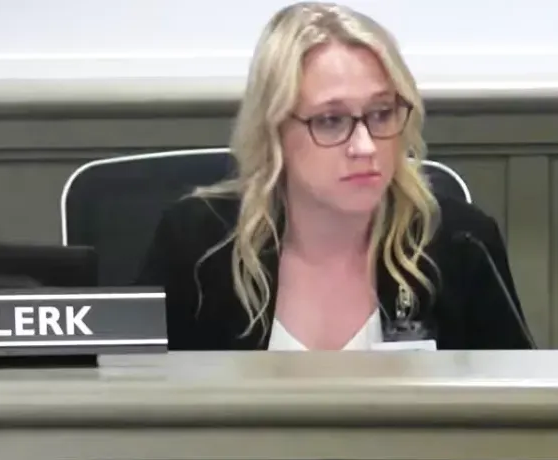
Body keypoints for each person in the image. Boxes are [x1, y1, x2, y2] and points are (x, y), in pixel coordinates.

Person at [136, 2, 535, 351]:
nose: (365, 146)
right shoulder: (197, 246)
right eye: (330, 120)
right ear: (274, 129)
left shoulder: (460, 244)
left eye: (382, 114)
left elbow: (518, 407)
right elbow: (131, 395)